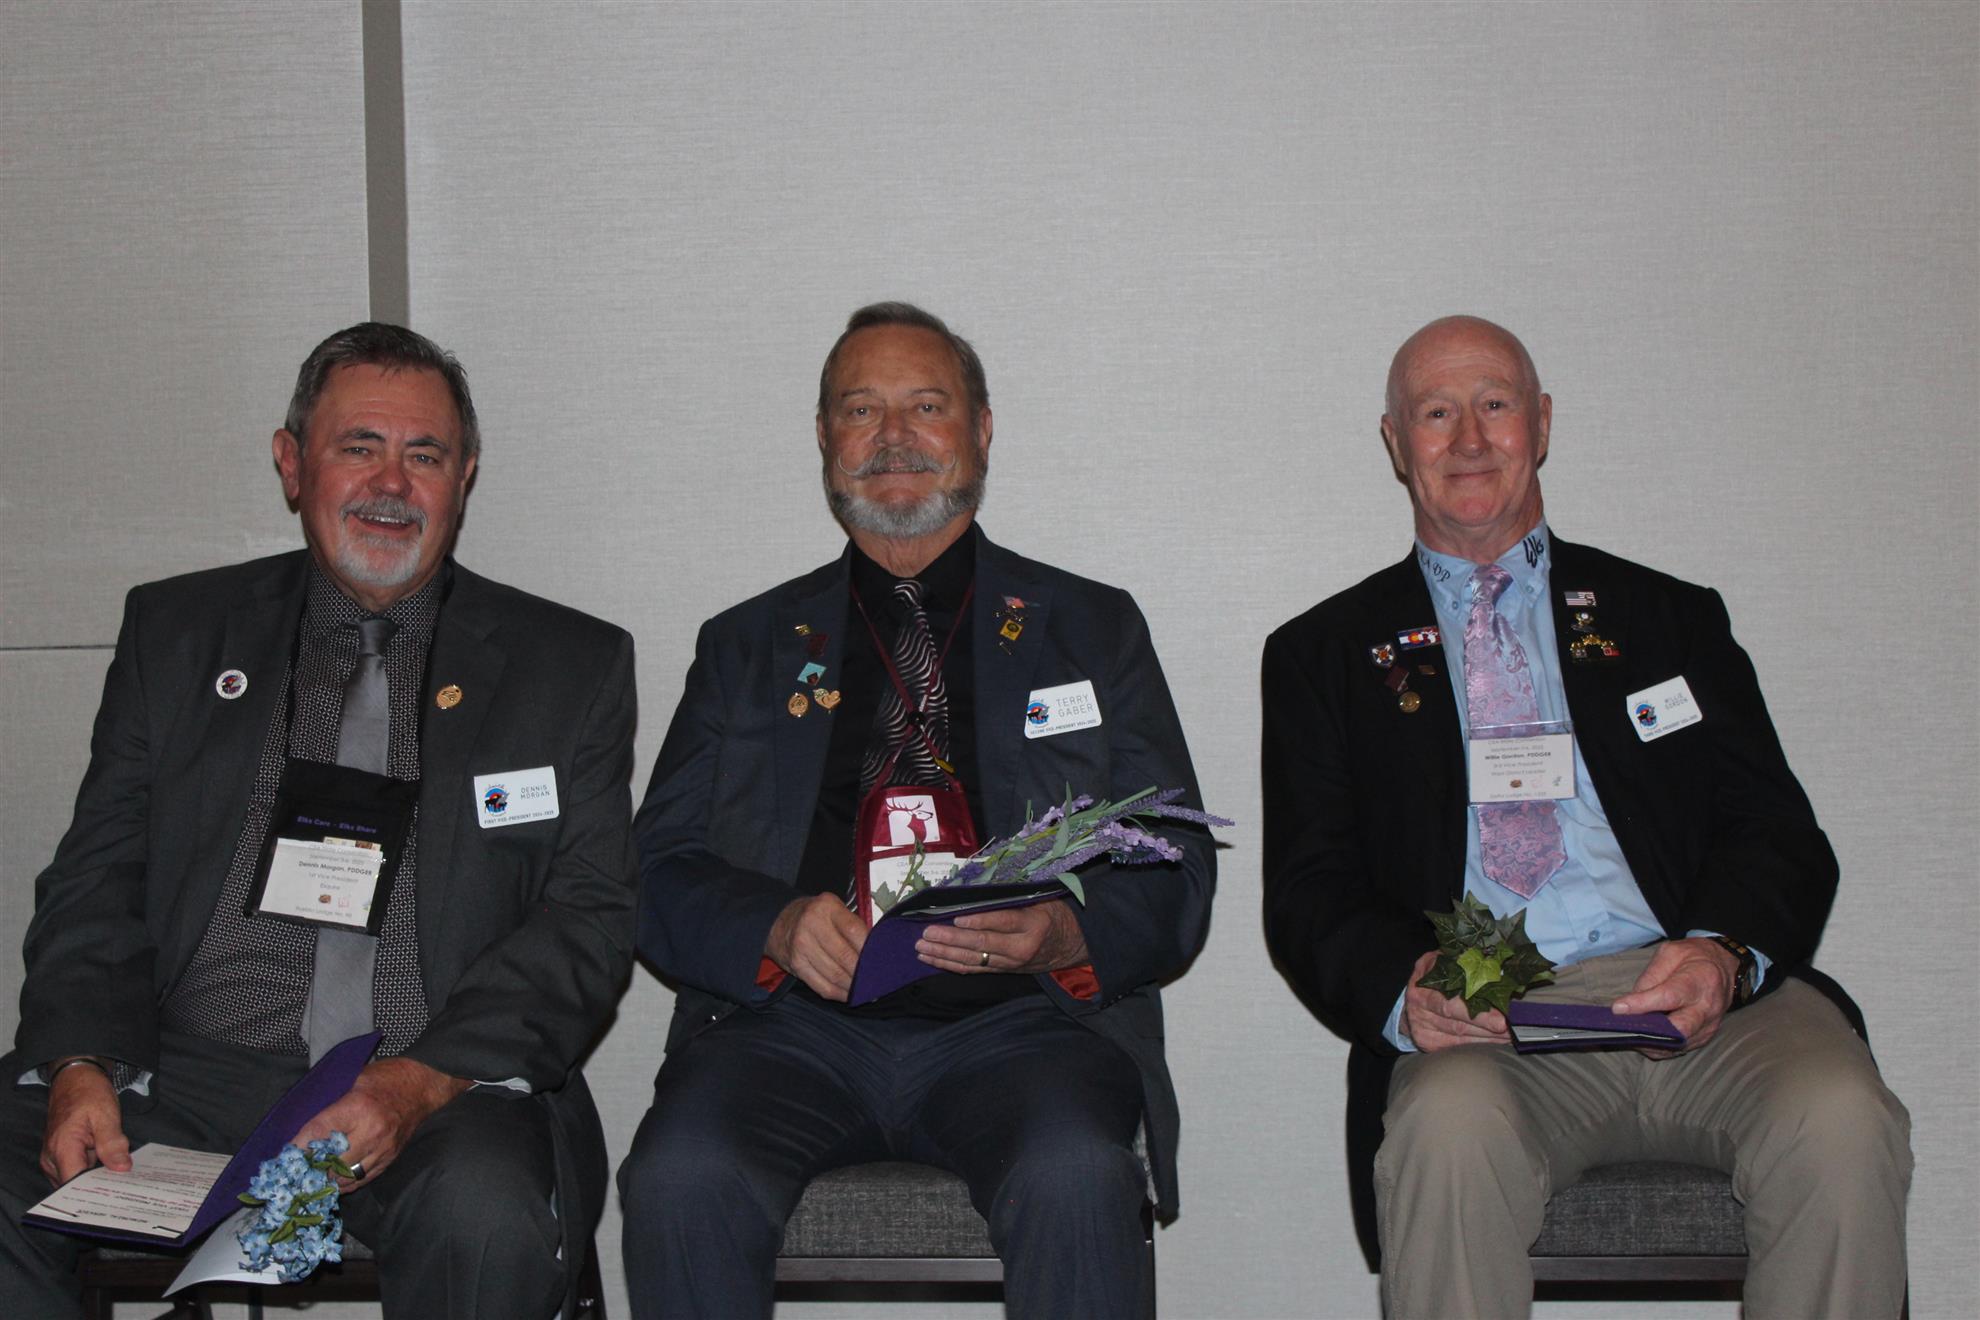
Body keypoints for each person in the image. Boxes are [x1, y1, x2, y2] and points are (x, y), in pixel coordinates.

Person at [1261, 315, 1910, 1317]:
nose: (1468, 439)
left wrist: (1720, 953)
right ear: (1395, 442)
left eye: (1494, 404)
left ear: (1542, 423)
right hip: (1493, 1023)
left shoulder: (1667, 618)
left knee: (1842, 1117)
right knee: (1444, 1135)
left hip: (1693, 995)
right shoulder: (1325, 655)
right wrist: (1407, 986)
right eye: (1435, 413)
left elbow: (1776, 830)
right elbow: (1309, 886)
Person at [0, 323, 637, 1319]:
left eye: (425, 455)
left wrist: (417, 1081)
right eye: (358, 447)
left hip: (438, 1082)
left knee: (486, 1214)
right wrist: (81, 1062)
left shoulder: (567, 667)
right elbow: (98, 874)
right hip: (185, 1074)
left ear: (465, 476)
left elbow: (588, 918)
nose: (392, 484)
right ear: (292, 464)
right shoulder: (179, 634)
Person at [618, 302, 1215, 1319]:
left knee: (1077, 1174)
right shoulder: (745, 644)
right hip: (789, 1034)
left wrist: (1064, 930)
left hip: (1022, 1030)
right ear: (824, 438)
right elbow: (655, 867)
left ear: (981, 429)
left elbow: (1173, 855)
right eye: (861, 410)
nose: (893, 436)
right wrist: (775, 925)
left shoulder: (1091, 626)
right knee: (679, 1177)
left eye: (926, 406)